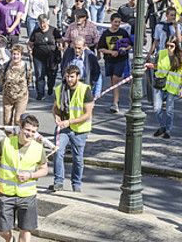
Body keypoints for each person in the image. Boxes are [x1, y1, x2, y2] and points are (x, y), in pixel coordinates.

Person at [0, 115, 49, 242]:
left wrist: (30, 174)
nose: (30, 134)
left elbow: (44, 170)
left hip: (27, 195)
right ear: (20, 128)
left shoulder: (38, 148)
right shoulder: (6, 143)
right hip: (6, 193)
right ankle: (9, 241)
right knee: (2, 229)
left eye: (33, 132)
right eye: (27, 130)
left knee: (26, 229)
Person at [50, 65, 94, 193]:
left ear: (78, 77)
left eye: (72, 77)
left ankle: (76, 184)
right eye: (67, 76)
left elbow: (87, 114)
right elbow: (55, 108)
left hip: (80, 129)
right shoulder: (60, 89)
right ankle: (58, 182)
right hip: (64, 127)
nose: (69, 80)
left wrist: (69, 121)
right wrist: (57, 118)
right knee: (58, 152)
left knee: (78, 158)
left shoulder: (85, 90)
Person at [96, 13, 131, 113]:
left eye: (119, 22)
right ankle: (115, 98)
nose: (117, 24)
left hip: (121, 59)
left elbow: (130, 45)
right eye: (115, 22)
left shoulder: (123, 32)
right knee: (113, 80)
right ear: (111, 22)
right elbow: (101, 48)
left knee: (116, 78)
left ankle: (115, 103)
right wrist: (111, 52)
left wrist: (124, 48)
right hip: (109, 60)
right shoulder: (106, 34)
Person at [152, 40, 182, 138]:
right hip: (159, 84)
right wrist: (151, 66)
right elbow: (156, 66)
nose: (169, 48)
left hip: (172, 87)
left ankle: (168, 130)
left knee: (169, 110)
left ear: (176, 47)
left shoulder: (180, 57)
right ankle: (162, 127)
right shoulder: (161, 53)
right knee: (157, 108)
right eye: (167, 45)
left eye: (172, 46)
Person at [28, 14, 61, 100]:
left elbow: (60, 41)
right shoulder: (36, 32)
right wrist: (30, 50)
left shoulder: (54, 30)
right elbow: (30, 43)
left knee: (51, 75)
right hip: (38, 57)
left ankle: (50, 87)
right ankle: (40, 93)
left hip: (52, 57)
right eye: (40, 23)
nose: (42, 25)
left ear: (47, 22)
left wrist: (61, 47)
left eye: (44, 23)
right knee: (39, 74)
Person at [0, 45, 32, 126]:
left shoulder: (26, 67)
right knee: (7, 120)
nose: (15, 56)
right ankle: (9, 137)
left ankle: (17, 137)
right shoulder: (6, 66)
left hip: (21, 96)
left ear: (21, 55)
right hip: (7, 96)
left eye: (17, 54)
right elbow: (1, 78)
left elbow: (29, 79)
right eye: (14, 54)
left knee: (18, 120)